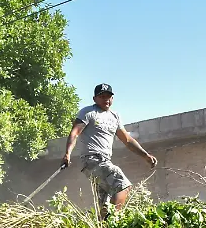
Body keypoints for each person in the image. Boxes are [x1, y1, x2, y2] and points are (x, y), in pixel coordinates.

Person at [63, 83, 157, 215]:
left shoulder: (115, 117)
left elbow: (128, 140)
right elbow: (75, 133)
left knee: (104, 203)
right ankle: (114, 221)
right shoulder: (88, 112)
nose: (106, 99)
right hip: (93, 160)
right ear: (95, 99)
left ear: (112, 98)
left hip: (104, 162)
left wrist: (146, 156)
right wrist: (67, 153)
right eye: (102, 96)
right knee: (123, 185)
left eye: (108, 96)